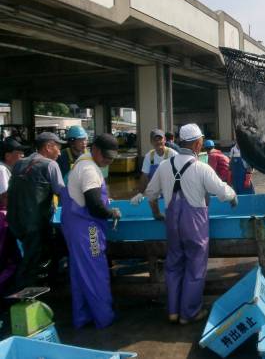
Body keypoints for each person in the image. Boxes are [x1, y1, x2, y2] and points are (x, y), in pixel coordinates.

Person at [143, 123, 237, 324]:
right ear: (196, 144)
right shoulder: (201, 168)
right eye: (201, 141)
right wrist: (233, 196)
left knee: (174, 264)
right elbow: (222, 190)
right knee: (195, 266)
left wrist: (157, 213)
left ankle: (173, 312)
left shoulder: (163, 166)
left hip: (172, 222)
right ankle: (189, 313)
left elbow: (150, 194)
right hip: (194, 224)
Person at [60, 133, 121, 329]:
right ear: (94, 150)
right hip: (87, 229)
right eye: (106, 157)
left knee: (79, 274)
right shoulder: (90, 170)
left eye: (112, 158)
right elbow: (95, 206)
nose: (108, 161)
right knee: (96, 272)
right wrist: (111, 212)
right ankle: (104, 317)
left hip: (74, 225)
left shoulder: (82, 162)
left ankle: (82, 316)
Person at [7, 132, 65, 289]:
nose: (60, 152)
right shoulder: (50, 165)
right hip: (36, 223)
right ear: (48, 147)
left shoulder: (19, 163)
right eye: (58, 147)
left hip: (15, 221)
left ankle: (46, 282)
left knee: (30, 255)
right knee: (32, 262)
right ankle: (24, 297)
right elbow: (62, 193)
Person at [0, 138, 25, 294]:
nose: (22, 156)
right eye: (19, 153)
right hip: (2, 221)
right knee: (8, 261)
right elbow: (4, 197)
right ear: (8, 155)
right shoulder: (2, 170)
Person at [130, 129, 178, 205]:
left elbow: (180, 175)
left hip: (171, 193)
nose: (158, 142)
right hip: (155, 193)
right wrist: (140, 193)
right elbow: (144, 177)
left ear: (165, 140)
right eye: (155, 140)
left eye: (160, 139)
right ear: (151, 142)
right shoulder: (149, 156)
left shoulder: (173, 154)